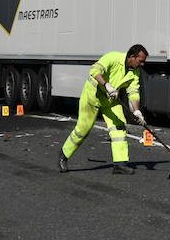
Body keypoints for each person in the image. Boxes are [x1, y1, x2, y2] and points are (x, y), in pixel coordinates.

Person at [59, 45, 148, 175]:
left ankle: (120, 164)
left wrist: (137, 111)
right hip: (93, 95)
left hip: (111, 100)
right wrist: (107, 85)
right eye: (141, 60)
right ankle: (64, 155)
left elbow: (133, 92)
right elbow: (94, 70)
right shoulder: (113, 57)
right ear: (132, 57)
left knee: (119, 127)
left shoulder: (135, 72)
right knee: (83, 129)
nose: (143, 64)